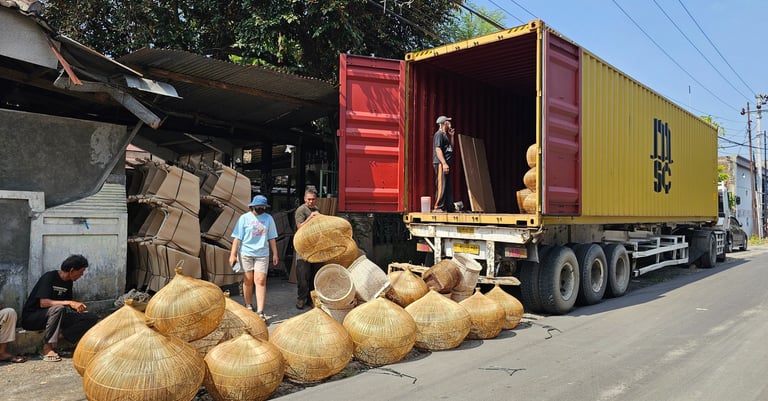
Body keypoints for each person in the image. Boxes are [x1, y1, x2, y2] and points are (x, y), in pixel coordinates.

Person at [21, 254, 98, 362]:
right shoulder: (49, 277)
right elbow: (43, 303)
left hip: (56, 317)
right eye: (81, 271)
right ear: (72, 270)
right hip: (33, 317)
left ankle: (58, 337)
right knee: (59, 308)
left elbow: (67, 305)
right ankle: (47, 347)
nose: (82, 274)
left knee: (91, 317)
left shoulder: (69, 282)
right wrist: (70, 302)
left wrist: (78, 308)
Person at [229, 195, 279, 321]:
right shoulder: (244, 218)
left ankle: (260, 311)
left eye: (264, 206)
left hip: (262, 254)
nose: (262, 208)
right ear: (253, 206)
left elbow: (271, 237)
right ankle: (248, 305)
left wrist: (275, 253)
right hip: (245, 253)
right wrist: (233, 254)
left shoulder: (268, 219)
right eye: (259, 206)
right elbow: (237, 238)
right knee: (248, 280)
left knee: (261, 280)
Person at [294, 188, 321, 309]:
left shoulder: (317, 209)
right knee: (302, 274)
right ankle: (301, 298)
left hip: (315, 246)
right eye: (309, 199)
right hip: (303, 246)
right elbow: (300, 227)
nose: (311, 201)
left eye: (313, 199)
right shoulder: (301, 210)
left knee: (315, 274)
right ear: (305, 199)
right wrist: (310, 217)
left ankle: (311, 298)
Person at [433, 115, 456, 212]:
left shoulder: (445, 135)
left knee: (447, 185)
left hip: (446, 163)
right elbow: (438, 149)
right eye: (447, 121)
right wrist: (444, 163)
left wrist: (452, 136)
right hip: (441, 163)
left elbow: (450, 148)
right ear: (443, 123)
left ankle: (450, 207)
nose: (449, 123)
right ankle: (438, 207)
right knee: (441, 184)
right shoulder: (438, 134)